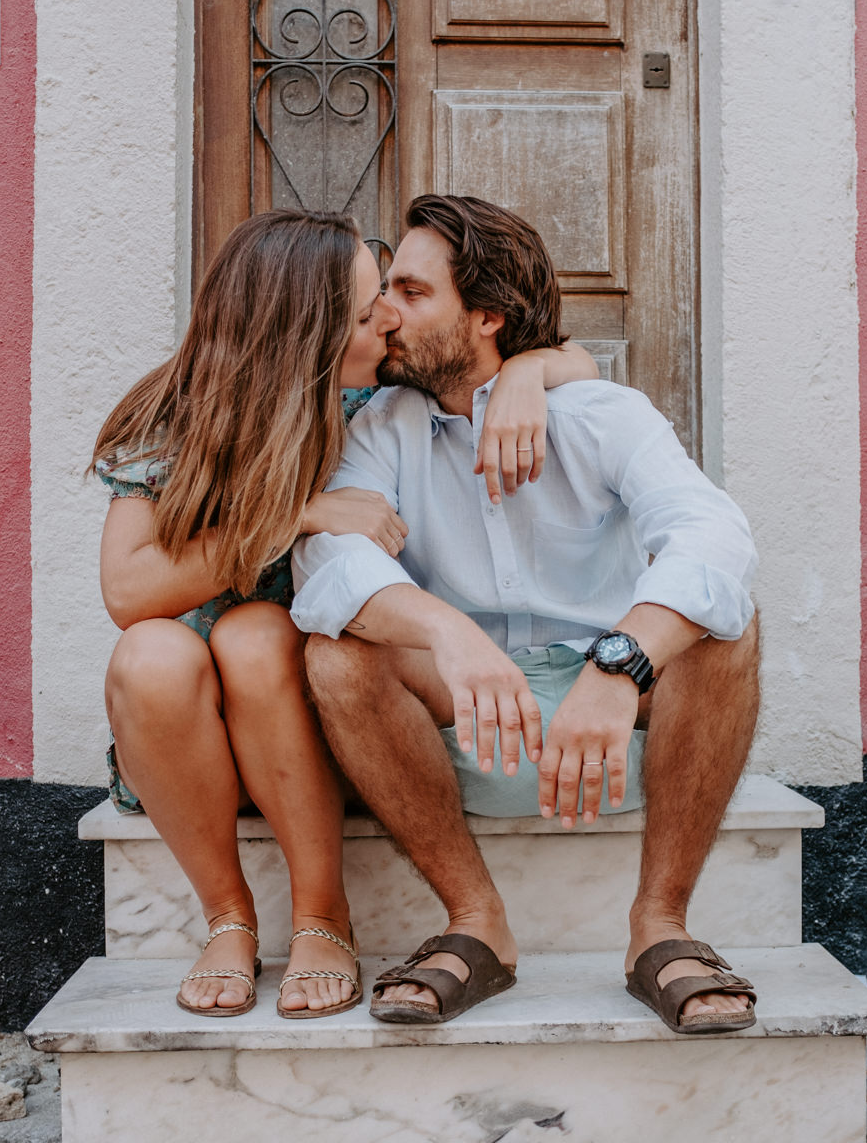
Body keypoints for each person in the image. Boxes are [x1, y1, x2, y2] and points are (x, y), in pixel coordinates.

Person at [90, 207, 599, 1020]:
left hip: (313, 732)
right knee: (150, 653)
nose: (390, 319)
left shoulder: (365, 397)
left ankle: (323, 912)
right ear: (308, 333)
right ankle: (228, 914)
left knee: (254, 632)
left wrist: (526, 374)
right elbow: (126, 591)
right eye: (368, 312)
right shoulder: (175, 414)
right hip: (195, 742)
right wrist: (297, 512)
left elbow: (566, 357)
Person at [292, 195, 761, 1035]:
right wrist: (448, 630)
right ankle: (476, 922)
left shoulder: (605, 417)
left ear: (486, 318)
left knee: (728, 630)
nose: (384, 314)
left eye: (410, 291)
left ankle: (661, 926)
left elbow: (714, 538)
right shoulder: (383, 427)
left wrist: (621, 666)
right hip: (462, 697)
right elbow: (333, 561)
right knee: (337, 652)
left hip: (609, 703)